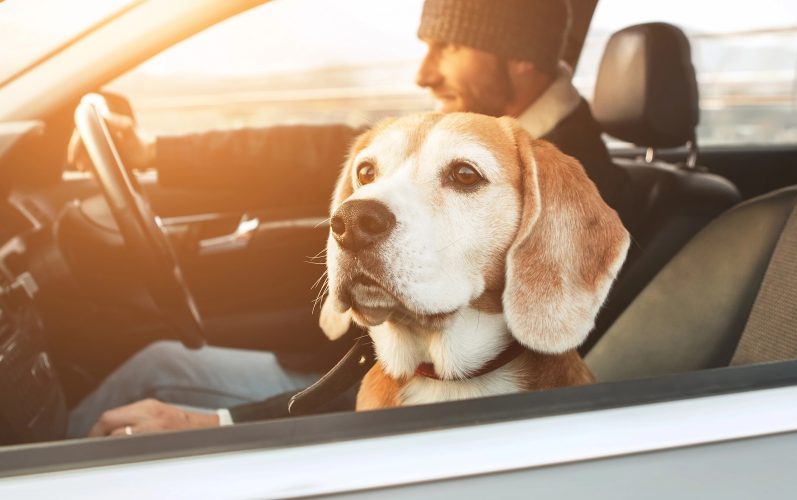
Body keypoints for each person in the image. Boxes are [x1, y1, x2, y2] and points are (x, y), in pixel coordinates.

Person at [68, 0, 633, 438]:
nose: (423, 73)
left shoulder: (559, 180)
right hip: (362, 367)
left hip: (357, 387)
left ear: (519, 56)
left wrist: (218, 424)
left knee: (153, 368)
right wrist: (154, 153)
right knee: (157, 358)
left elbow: (499, 363)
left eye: (449, 45)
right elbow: (326, 150)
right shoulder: (456, 134)